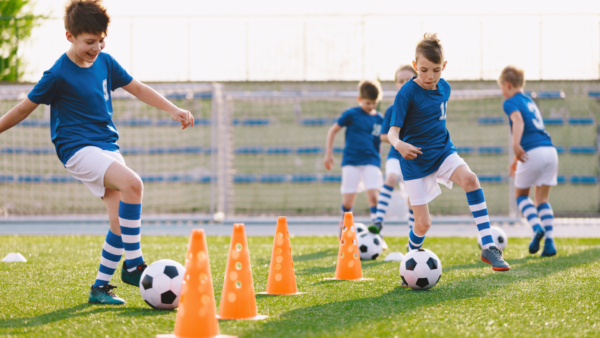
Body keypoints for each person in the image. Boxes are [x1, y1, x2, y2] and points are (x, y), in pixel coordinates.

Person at [0, 0, 194, 304]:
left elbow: (138, 88)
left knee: (120, 222)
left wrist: (173, 108)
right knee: (134, 185)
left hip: (107, 146)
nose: (97, 47)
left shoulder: (106, 62)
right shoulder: (57, 74)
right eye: (90, 42)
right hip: (76, 148)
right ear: (70, 36)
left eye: (101, 40)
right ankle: (134, 265)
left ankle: (99, 288)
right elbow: (24, 108)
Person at [387, 33, 510, 273]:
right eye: (423, 70)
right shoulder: (406, 93)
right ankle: (410, 262)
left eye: (435, 70)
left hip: (443, 152)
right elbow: (393, 133)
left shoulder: (445, 88)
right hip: (415, 162)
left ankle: (488, 246)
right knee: (423, 224)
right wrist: (399, 145)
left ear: (444, 67)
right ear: (415, 66)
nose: (430, 77)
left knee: (471, 179)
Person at [499, 65, 558, 257]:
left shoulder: (510, 102)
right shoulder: (529, 101)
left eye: (501, 87)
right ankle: (549, 242)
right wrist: (517, 158)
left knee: (522, 196)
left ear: (507, 85)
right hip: (550, 151)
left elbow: (518, 121)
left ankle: (536, 228)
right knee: (542, 199)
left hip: (531, 152)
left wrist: (516, 146)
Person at [323, 80, 384, 238]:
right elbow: (332, 131)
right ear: (359, 100)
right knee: (348, 201)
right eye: (367, 103)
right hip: (351, 161)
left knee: (373, 194)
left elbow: (379, 141)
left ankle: (377, 233)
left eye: (374, 103)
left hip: (371, 160)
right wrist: (328, 154)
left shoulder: (379, 119)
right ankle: (343, 227)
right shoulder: (351, 114)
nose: (371, 106)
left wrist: (379, 160)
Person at [371, 65, 417, 249]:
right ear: (396, 85)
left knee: (413, 197)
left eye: (409, 80)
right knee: (390, 177)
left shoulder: (420, 109)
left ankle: (412, 240)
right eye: (401, 81)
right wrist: (398, 140)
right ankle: (378, 221)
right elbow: (383, 135)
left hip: (414, 159)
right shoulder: (392, 109)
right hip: (395, 156)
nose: (405, 83)